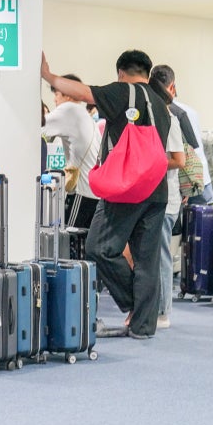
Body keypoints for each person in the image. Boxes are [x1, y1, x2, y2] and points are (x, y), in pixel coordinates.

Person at [41, 49, 175, 339]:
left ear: (121, 73)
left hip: (127, 187)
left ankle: (134, 307)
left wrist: (49, 77)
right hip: (156, 188)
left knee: (99, 247)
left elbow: (83, 92)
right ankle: (143, 325)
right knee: (146, 259)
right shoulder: (159, 102)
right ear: (148, 72)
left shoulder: (124, 91)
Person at [148, 72, 185, 330]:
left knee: (161, 255)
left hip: (167, 198)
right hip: (152, 195)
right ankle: (155, 308)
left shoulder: (171, 120)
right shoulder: (151, 116)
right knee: (151, 254)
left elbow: (179, 160)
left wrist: (152, 165)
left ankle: (163, 311)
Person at [42, 74, 101, 231]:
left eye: (56, 94)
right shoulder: (85, 115)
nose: (55, 100)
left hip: (81, 192)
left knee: (70, 242)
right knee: (83, 244)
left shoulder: (68, 110)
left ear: (67, 94)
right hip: (95, 193)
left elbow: (38, 127)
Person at [153, 65, 213, 204]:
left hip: (189, 181)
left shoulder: (174, 112)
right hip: (200, 178)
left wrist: (184, 186)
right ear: (173, 86)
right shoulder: (189, 110)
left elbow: (187, 150)